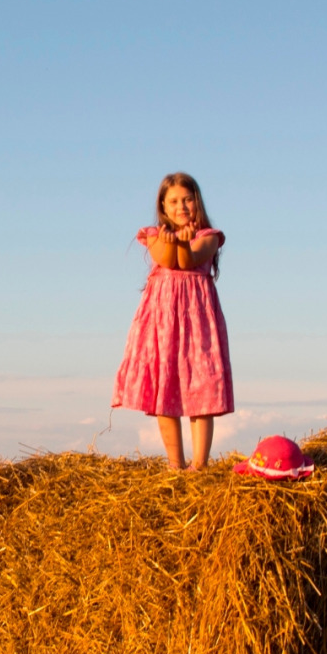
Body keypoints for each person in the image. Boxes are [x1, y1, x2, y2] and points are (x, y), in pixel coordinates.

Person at [111, 172, 234, 470]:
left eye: (188, 199)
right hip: (163, 320)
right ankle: (175, 464)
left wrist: (183, 241)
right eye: (174, 201)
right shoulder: (153, 236)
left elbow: (188, 261)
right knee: (165, 388)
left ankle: (199, 466)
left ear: (198, 202)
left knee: (201, 388)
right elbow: (169, 261)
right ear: (163, 208)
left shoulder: (209, 237)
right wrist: (174, 241)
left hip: (197, 319)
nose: (182, 206)